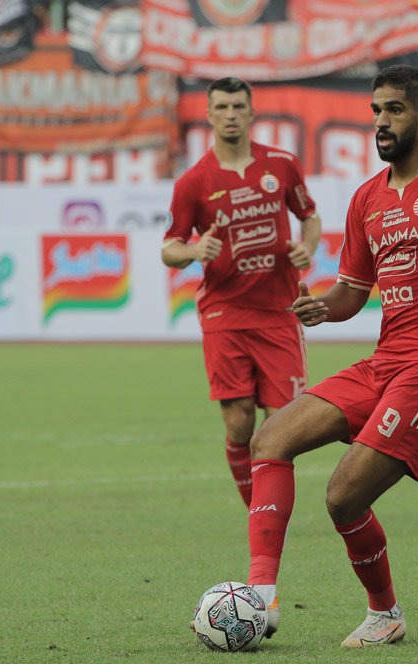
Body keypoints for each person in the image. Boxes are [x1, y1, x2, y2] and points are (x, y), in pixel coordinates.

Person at [243, 65, 418, 647]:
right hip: (386, 359)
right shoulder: (366, 199)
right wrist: (323, 307)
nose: (381, 121)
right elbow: (354, 292)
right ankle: (259, 597)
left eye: (395, 110)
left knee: (344, 494)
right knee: (269, 438)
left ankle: (385, 613)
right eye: (376, 110)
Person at [162, 77, 322, 508]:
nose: (230, 114)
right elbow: (169, 248)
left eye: (238, 106)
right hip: (225, 313)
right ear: (210, 115)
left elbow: (309, 217)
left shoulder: (283, 165)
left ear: (251, 112)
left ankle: (267, 504)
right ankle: (259, 509)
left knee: (284, 426)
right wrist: (195, 250)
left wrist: (306, 248)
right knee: (238, 420)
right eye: (222, 107)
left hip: (278, 312)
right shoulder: (193, 182)